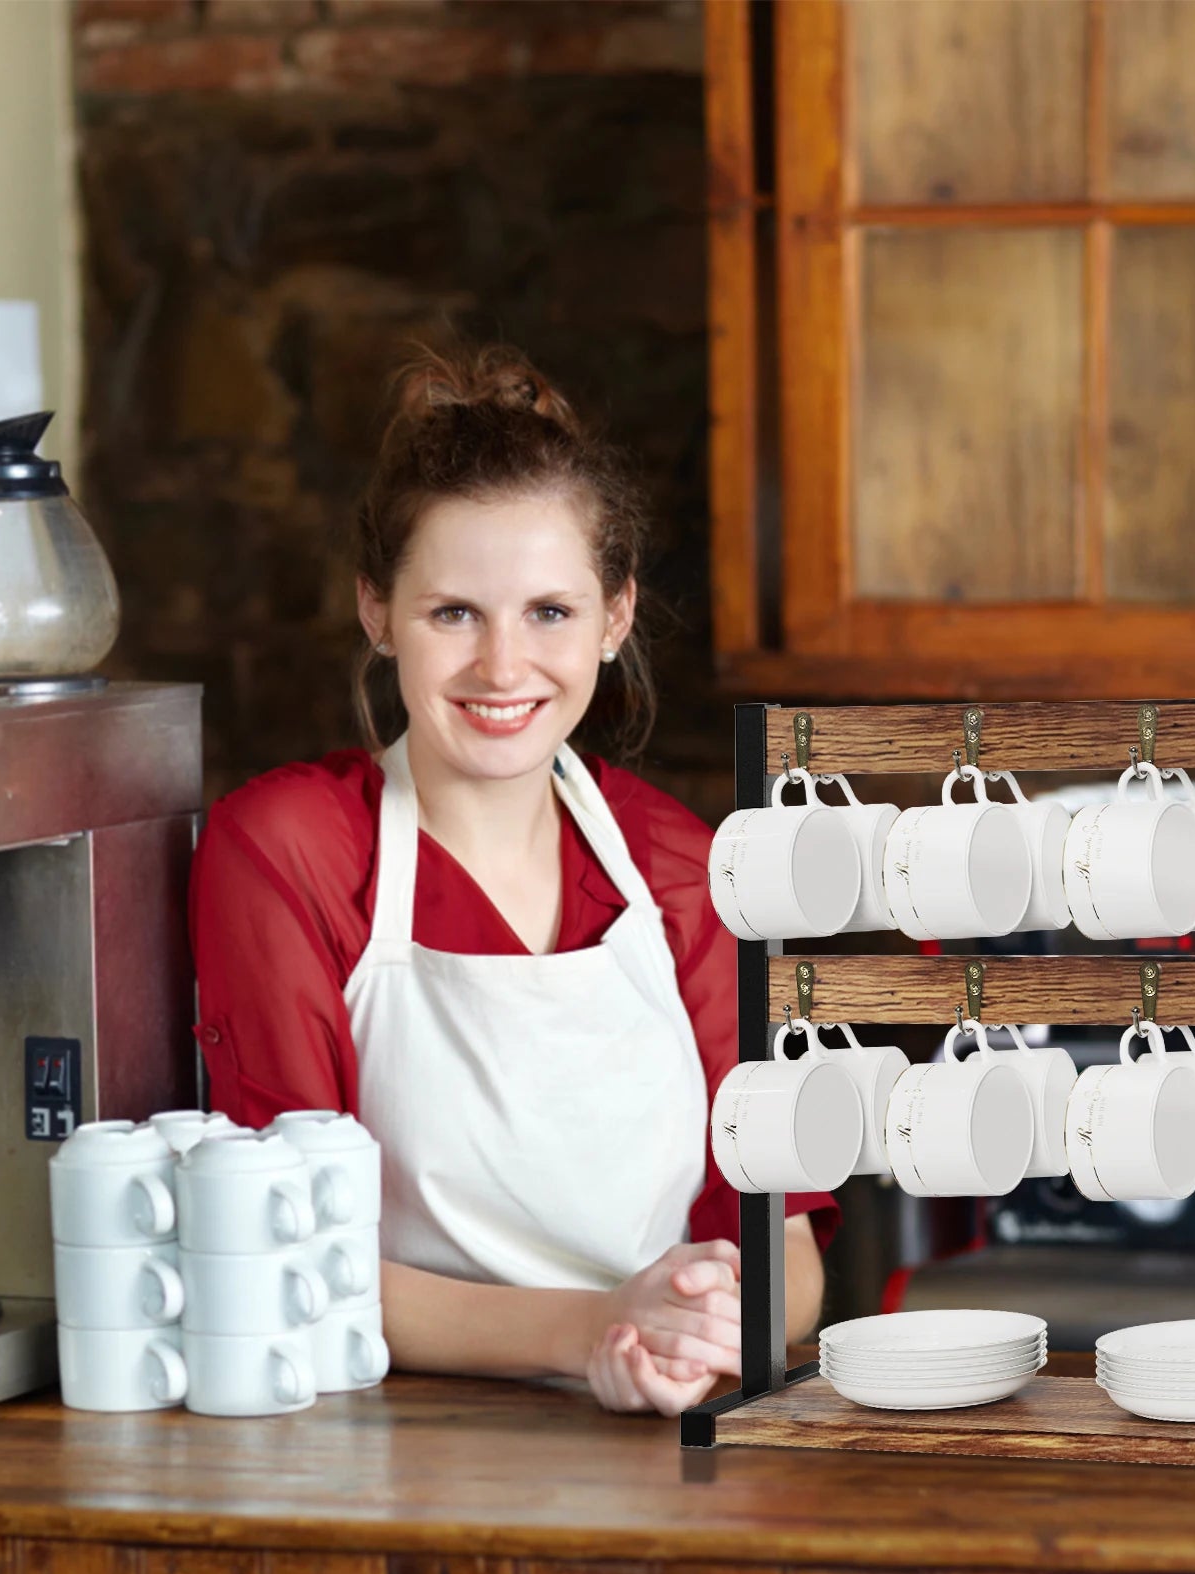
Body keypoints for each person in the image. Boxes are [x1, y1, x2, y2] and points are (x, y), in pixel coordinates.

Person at [188, 343, 836, 1416]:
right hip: (390, 1443)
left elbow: (784, 1242)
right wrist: (598, 1328)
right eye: (453, 613)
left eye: (549, 612)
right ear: (375, 612)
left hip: (667, 1436)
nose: (501, 667)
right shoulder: (289, 850)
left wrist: (708, 1333)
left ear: (614, 617)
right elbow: (284, 1251)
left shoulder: (681, 866)